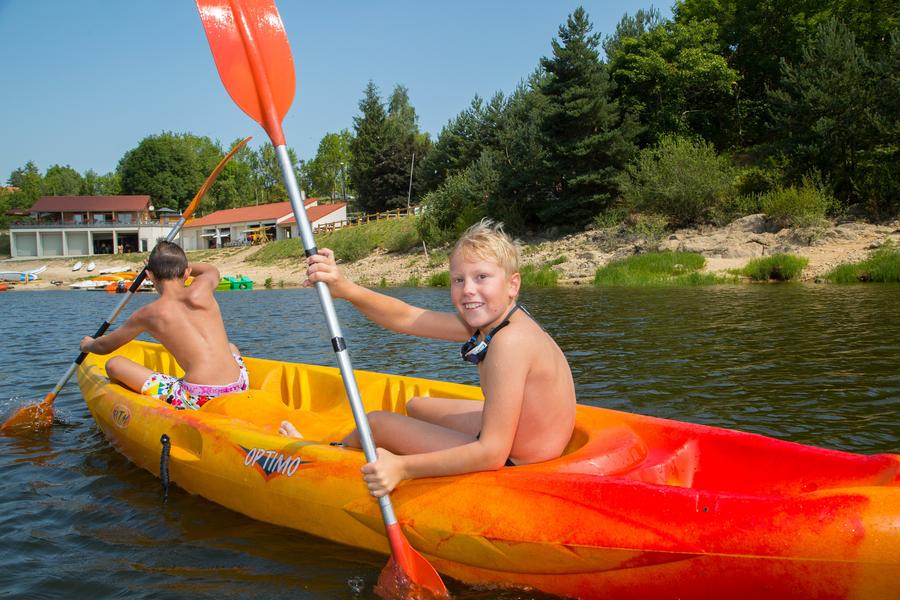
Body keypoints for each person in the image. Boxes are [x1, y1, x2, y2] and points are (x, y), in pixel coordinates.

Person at [279, 220, 576, 497]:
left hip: (515, 460)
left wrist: (402, 468)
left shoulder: (510, 342)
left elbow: (492, 453)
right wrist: (345, 289)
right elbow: (406, 317)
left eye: (481, 277)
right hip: (523, 438)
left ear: (513, 284)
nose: (468, 289)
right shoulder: (498, 320)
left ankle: (329, 454)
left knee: (376, 424)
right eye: (458, 280)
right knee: (417, 405)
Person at [79, 241, 247, 410]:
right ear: (187, 272)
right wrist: (176, 264)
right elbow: (211, 270)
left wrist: (88, 344)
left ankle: (132, 407)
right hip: (239, 383)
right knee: (230, 347)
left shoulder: (148, 314)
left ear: (149, 275)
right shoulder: (203, 288)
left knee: (114, 364)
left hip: (198, 396)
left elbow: (104, 347)